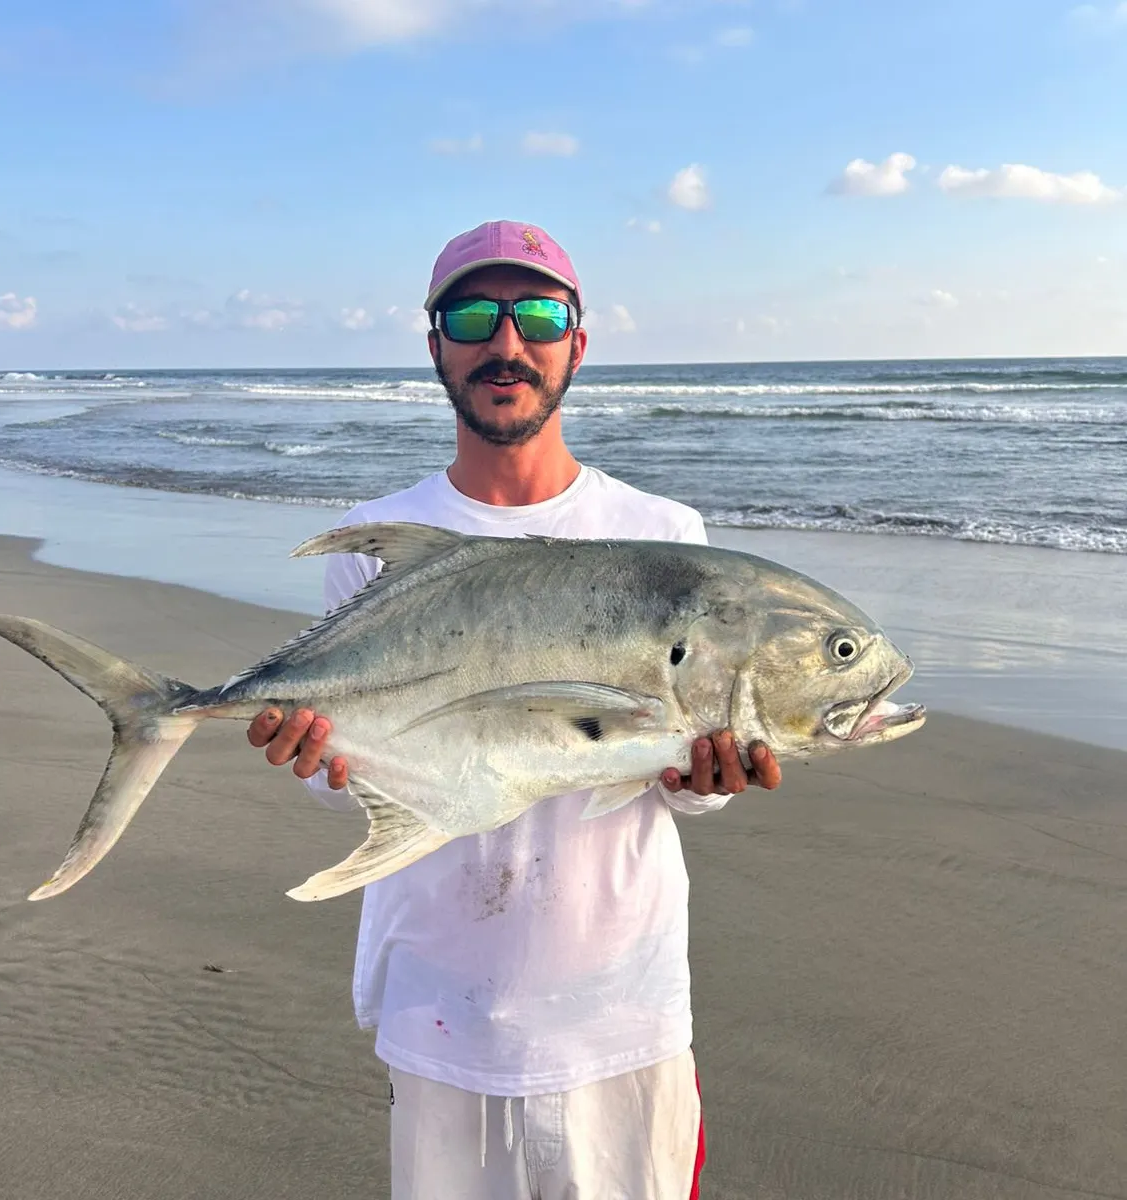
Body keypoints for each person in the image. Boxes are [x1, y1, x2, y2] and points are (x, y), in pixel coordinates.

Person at [247, 220, 782, 1199]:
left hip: (621, 1008)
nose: (506, 343)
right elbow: (361, 780)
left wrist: (714, 778)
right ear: (435, 345)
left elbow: (679, 781)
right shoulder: (382, 544)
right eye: (471, 318)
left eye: (536, 316)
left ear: (578, 342)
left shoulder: (663, 534)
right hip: (439, 1006)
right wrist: (315, 760)